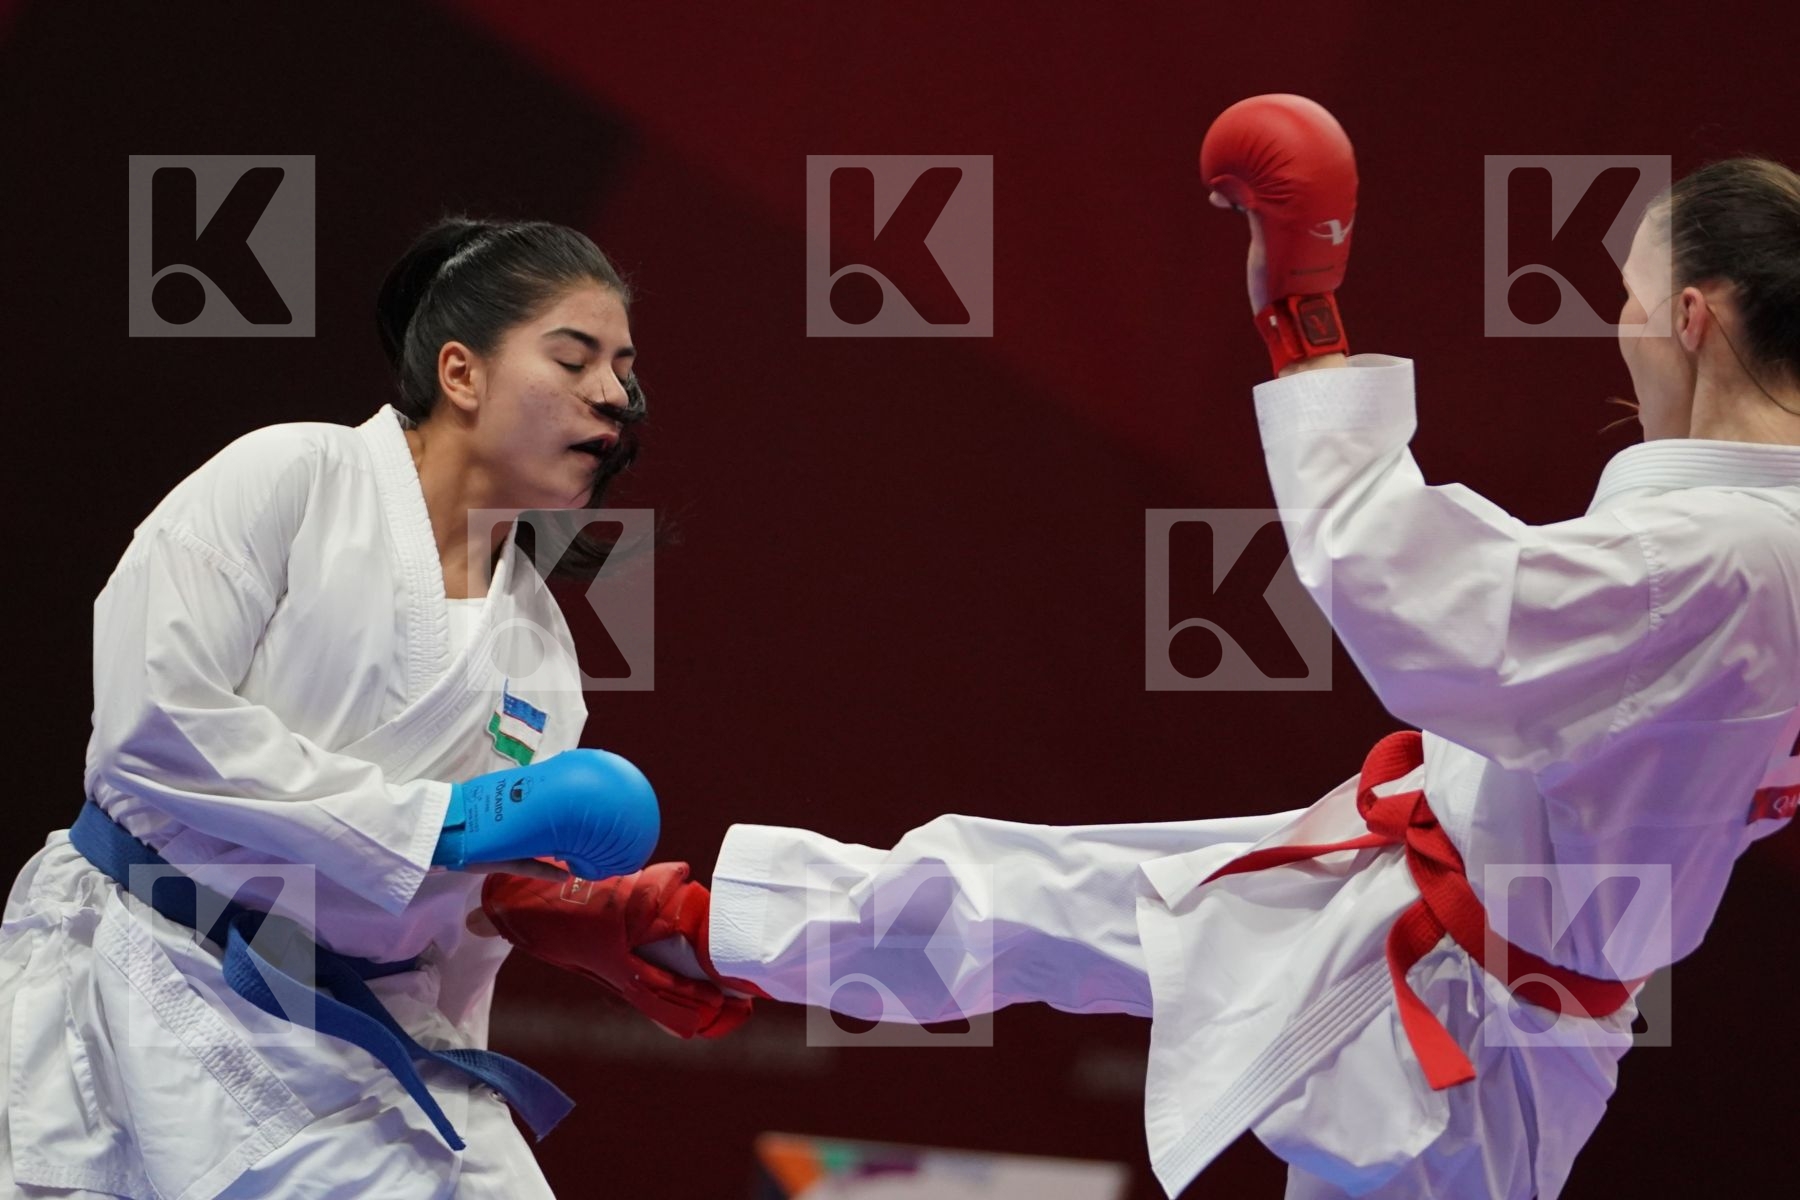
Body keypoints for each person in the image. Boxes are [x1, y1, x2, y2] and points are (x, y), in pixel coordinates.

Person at [476, 98, 1800, 1199]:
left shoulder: (1734, 556)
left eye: (1627, 300)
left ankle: (685, 927)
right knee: (1038, 894)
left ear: (1692, 316)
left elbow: (1425, 601)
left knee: (1050, 902)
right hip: (1445, 916)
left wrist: (1305, 316)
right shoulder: (1738, 537)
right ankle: (683, 923)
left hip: (1469, 1032)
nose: (1616, 333)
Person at [0, 216, 670, 1199]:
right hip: (159, 974)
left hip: (358, 1028)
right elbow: (152, 730)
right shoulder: (291, 477)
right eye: (574, 358)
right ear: (461, 373)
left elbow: (450, 932)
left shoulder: (541, 655)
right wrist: (441, 822)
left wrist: (561, 914)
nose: (614, 394)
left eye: (622, 366)